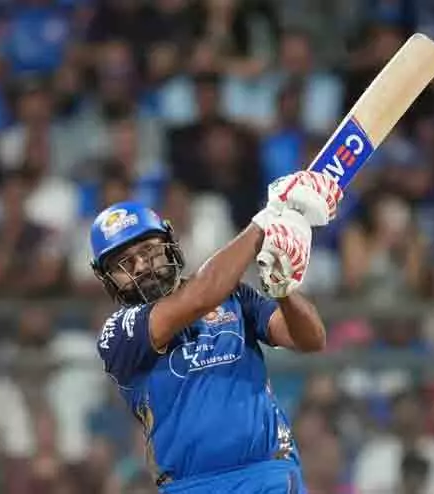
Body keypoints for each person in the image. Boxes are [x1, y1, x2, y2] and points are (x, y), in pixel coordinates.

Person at [89, 170, 342, 493]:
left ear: (169, 245)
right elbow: (200, 297)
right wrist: (266, 220)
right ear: (107, 278)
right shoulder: (117, 333)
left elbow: (311, 339)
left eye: (148, 251)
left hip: (268, 475)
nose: (140, 266)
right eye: (123, 264)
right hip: (191, 486)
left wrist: (284, 289)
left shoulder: (234, 295)